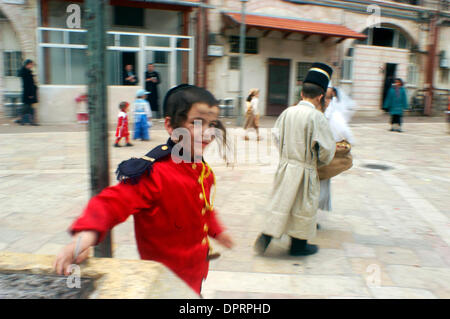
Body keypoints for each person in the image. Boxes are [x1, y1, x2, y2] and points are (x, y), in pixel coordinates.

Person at [53, 84, 234, 296]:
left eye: (212, 124)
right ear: (170, 125)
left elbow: (203, 208)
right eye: (197, 123)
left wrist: (217, 231)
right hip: (163, 280)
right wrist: (83, 238)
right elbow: (111, 202)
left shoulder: (202, 171)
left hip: (196, 272)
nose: (208, 132)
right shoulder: (154, 173)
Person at [254, 63, 336, 257]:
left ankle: (267, 234)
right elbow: (326, 150)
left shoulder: (287, 112)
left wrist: (287, 155)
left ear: (301, 94)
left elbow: (276, 136)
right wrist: (317, 161)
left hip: (286, 166)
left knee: (280, 201)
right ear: (320, 97)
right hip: (306, 168)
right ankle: (298, 246)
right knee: (303, 205)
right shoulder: (318, 117)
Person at [318, 86, 355, 212]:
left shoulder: (331, 113)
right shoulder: (330, 114)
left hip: (321, 156)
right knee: (319, 187)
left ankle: (310, 216)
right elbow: (346, 132)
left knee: (318, 186)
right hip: (321, 156)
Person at [17, 59, 38, 125]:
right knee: (28, 107)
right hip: (28, 92)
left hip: (28, 92)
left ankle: (22, 120)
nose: (32, 66)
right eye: (31, 64)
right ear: (28, 64)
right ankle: (25, 120)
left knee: (28, 107)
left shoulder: (26, 72)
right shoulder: (26, 73)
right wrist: (30, 94)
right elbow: (28, 84)